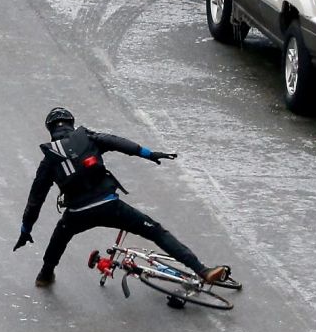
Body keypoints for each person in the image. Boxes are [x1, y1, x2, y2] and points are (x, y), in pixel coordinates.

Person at [13, 107, 230, 288]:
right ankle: (202, 271)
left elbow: (35, 199)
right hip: (110, 206)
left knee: (59, 237)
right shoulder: (87, 137)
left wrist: (26, 230)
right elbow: (118, 142)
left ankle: (45, 275)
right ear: (71, 122)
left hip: (77, 214)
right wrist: (149, 154)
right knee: (155, 231)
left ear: (50, 130)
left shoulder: (49, 160)